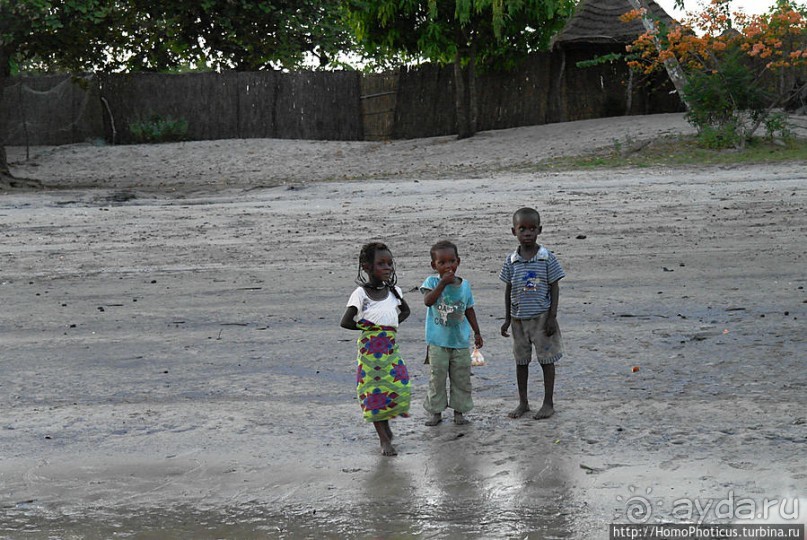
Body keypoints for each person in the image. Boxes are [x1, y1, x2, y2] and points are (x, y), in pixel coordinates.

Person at [340, 242, 412, 456]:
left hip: (390, 348)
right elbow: (346, 321)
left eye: (390, 263)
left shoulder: (394, 291)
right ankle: (384, 439)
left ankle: (386, 423)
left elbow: (405, 311)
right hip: (370, 352)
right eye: (381, 264)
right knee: (373, 393)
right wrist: (371, 328)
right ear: (367, 267)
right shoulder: (361, 294)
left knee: (398, 386)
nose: (387, 268)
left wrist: (390, 326)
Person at [499, 207, 565, 420]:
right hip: (518, 320)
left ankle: (548, 403)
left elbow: (554, 287)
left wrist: (552, 317)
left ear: (539, 230)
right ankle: (523, 402)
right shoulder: (511, 261)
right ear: (514, 231)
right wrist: (507, 318)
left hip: (542, 319)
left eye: (532, 229)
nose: (527, 233)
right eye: (522, 229)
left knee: (546, 360)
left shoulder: (547, 258)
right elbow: (508, 289)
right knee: (521, 362)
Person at [420, 240, 483, 426]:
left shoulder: (465, 285)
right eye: (442, 262)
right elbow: (428, 301)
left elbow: (469, 309)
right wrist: (442, 284)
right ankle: (436, 412)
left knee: (461, 378)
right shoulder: (431, 282)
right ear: (434, 265)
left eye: (452, 261)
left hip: (460, 341)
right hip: (437, 342)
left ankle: (459, 411)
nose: (448, 266)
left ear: (458, 262)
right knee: (437, 378)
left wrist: (477, 332)